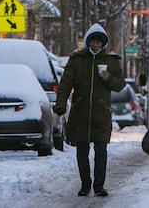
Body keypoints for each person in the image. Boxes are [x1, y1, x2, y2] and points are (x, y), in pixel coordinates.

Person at [54, 23, 125, 197]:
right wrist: (60, 104)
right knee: (82, 152)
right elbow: (65, 84)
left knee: (101, 151)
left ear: (103, 44)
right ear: (87, 42)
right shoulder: (77, 60)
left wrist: (108, 78)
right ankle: (85, 184)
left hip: (101, 114)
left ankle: (99, 186)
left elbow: (120, 85)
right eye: (92, 41)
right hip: (81, 114)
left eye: (98, 42)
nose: (95, 45)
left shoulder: (111, 61)